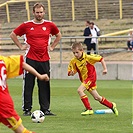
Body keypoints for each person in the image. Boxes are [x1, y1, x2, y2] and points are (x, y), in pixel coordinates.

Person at [10, 2, 61, 116]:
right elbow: (13, 34)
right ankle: (27, 109)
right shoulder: (26, 25)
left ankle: (45, 109)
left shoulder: (49, 25)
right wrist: (20, 46)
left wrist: (52, 46)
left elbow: (58, 35)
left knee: (44, 83)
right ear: (33, 13)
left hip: (44, 59)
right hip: (30, 59)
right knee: (29, 84)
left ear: (44, 12)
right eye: (37, 12)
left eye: (41, 12)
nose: (39, 14)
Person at [0, 55, 49, 133]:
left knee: (22, 131)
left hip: (2, 105)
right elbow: (22, 64)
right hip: (5, 102)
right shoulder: (3, 60)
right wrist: (39, 75)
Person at [67, 42, 118, 116]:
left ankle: (89, 109)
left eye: (77, 52)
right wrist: (71, 73)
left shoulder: (88, 58)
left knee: (80, 90)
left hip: (91, 78)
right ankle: (112, 106)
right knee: (97, 97)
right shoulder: (73, 61)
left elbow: (101, 59)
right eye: (74, 53)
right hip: (85, 80)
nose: (75, 55)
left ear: (82, 51)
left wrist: (105, 69)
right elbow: (71, 72)